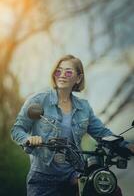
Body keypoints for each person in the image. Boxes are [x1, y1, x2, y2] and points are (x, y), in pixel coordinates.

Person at [11, 54, 134, 196]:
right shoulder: (38, 100)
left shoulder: (83, 107)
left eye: (68, 72)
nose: (62, 75)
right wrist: (29, 139)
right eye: (59, 71)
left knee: (110, 190)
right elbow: (17, 130)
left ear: (78, 78)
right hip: (43, 178)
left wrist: (126, 146)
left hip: (74, 175)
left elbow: (101, 133)